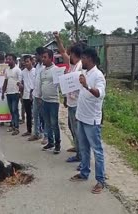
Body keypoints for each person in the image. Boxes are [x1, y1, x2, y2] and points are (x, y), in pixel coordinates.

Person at [70, 48, 106, 195]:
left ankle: (100, 180)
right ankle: (84, 172)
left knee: (97, 151)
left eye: (83, 58)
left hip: (92, 120)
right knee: (84, 148)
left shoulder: (98, 76)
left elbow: (99, 94)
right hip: (81, 117)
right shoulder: (84, 73)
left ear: (90, 59)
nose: (81, 60)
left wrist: (86, 86)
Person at [54, 31, 84, 163]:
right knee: (72, 128)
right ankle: (77, 148)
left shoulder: (81, 67)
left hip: (78, 104)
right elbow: (62, 51)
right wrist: (58, 38)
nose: (68, 55)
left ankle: (81, 156)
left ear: (76, 55)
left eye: (70, 53)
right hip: (71, 102)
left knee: (78, 131)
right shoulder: (72, 65)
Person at [39, 48, 61, 154]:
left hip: (53, 101)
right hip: (44, 101)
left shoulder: (57, 70)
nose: (43, 59)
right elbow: (40, 85)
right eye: (42, 57)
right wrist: (39, 97)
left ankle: (57, 144)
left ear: (50, 58)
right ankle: (50, 142)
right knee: (47, 124)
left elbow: (61, 85)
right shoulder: (42, 71)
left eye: (45, 57)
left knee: (54, 123)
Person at [28, 47, 47, 143]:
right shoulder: (38, 66)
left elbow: (45, 83)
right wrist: (32, 91)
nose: (35, 57)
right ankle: (36, 133)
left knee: (44, 117)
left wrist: (41, 95)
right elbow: (36, 81)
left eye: (36, 55)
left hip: (42, 96)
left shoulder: (45, 66)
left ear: (40, 55)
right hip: (36, 94)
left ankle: (46, 136)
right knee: (35, 115)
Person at [1, 53, 22, 136]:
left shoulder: (17, 70)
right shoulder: (7, 70)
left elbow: (20, 82)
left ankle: (17, 128)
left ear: (14, 60)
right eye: (7, 59)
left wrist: (20, 92)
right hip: (8, 93)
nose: (7, 61)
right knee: (11, 111)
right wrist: (3, 92)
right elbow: (5, 81)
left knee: (15, 110)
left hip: (15, 93)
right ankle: (13, 126)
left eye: (9, 59)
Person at [21, 55, 35, 136]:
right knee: (28, 115)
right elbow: (21, 82)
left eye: (27, 61)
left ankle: (39, 132)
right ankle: (29, 130)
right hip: (26, 96)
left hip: (34, 96)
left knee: (36, 115)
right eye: (25, 62)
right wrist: (20, 85)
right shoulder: (23, 72)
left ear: (31, 61)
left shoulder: (36, 71)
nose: (26, 63)